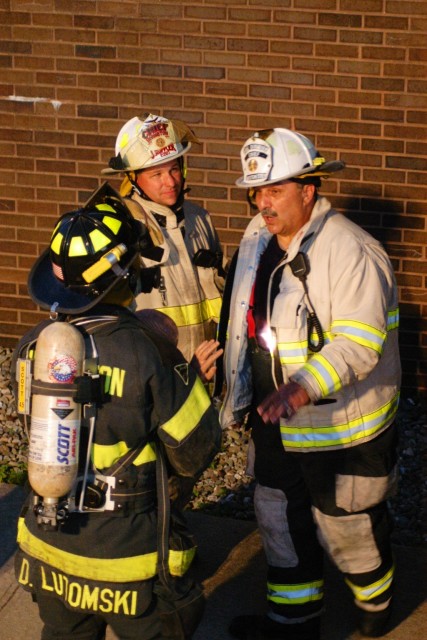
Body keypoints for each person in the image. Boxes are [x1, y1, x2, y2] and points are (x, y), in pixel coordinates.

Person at [12, 184, 222, 640]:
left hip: (49, 553)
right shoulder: (150, 353)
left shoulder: (30, 349)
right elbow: (194, 452)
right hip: (127, 561)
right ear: (126, 275)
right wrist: (192, 381)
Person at [220, 128, 401, 640]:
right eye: (257, 191)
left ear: (309, 188)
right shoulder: (257, 238)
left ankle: (376, 604)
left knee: (348, 527)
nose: (262, 203)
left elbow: (360, 343)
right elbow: (242, 318)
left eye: (274, 189)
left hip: (338, 426)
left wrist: (300, 387)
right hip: (274, 420)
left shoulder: (349, 250)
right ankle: (292, 624)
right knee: (278, 519)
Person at [101, 112, 225, 365]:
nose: (170, 181)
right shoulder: (123, 225)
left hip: (207, 369)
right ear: (133, 178)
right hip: (154, 371)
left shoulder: (199, 219)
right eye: (156, 174)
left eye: (174, 169)